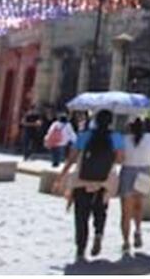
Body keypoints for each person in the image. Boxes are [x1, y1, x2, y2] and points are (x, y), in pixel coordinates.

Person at [55, 109, 124, 263]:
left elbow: (72, 158)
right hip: (104, 180)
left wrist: (61, 176)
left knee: (81, 214)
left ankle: (80, 248)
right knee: (100, 209)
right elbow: (120, 160)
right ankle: (98, 232)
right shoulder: (116, 137)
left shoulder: (85, 136)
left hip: (83, 178)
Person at [119, 117, 150, 253]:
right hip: (144, 172)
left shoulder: (124, 139)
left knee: (125, 211)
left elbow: (120, 159)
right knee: (138, 205)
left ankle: (126, 242)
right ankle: (137, 230)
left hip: (127, 172)